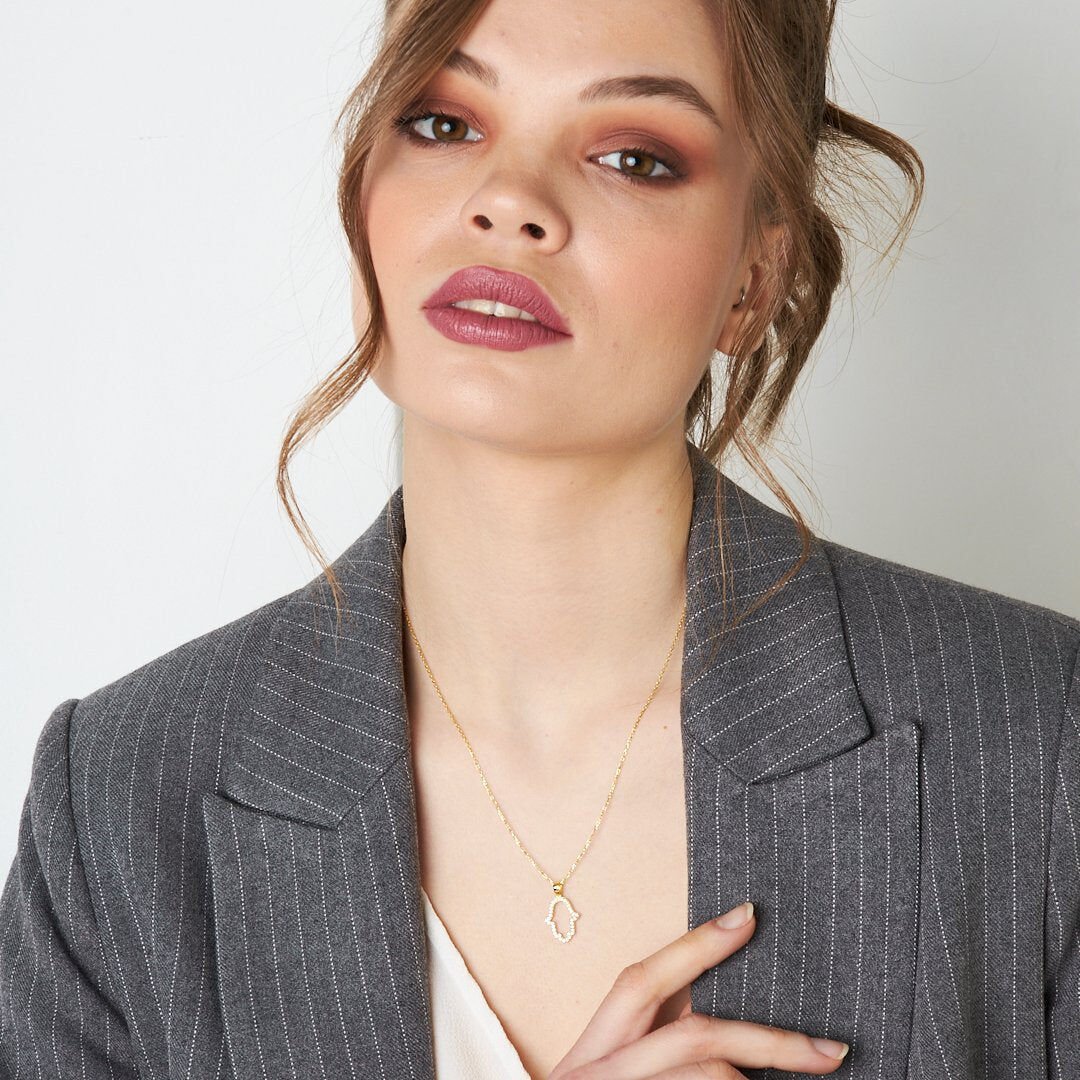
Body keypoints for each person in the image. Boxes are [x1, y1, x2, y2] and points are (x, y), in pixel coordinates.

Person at [2, 0, 1077, 1077]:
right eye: (443, 123)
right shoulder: (118, 801)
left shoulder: (1039, 741)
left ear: (754, 279)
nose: (509, 199)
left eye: (633, 157)